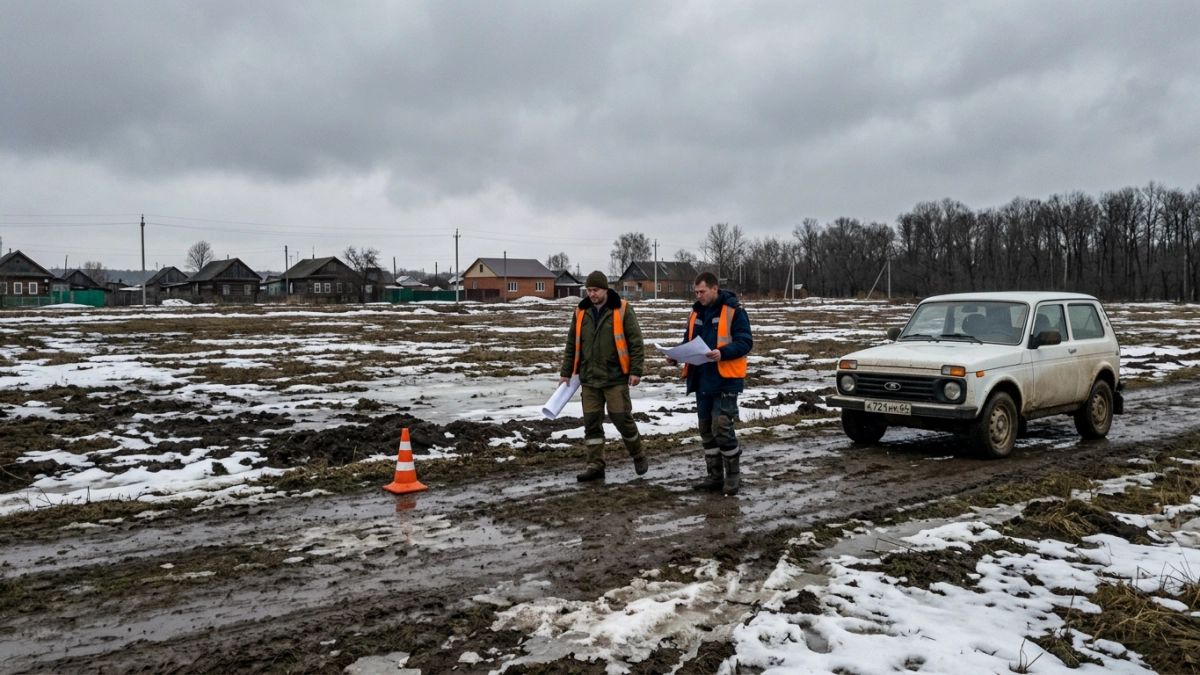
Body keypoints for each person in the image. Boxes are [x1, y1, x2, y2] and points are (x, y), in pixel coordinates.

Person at [665, 272, 753, 495]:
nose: (699, 296)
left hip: (725, 379)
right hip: (702, 379)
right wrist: (676, 355)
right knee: (706, 430)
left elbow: (745, 341)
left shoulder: (734, 310)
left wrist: (723, 353)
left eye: (702, 291)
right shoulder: (696, 312)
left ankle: (733, 476)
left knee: (721, 427)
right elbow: (688, 341)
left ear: (715, 289)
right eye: (696, 292)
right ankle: (714, 476)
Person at [559, 270, 647, 482]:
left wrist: (636, 371)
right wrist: (565, 372)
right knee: (591, 423)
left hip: (615, 377)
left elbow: (636, 342)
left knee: (622, 419)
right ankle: (595, 465)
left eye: (595, 290)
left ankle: (638, 454)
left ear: (605, 289)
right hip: (589, 379)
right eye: (589, 290)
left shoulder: (622, 309)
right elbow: (571, 343)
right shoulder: (580, 311)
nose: (592, 294)